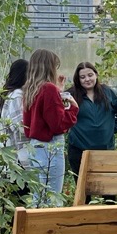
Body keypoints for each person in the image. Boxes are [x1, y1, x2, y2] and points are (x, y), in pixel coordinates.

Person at [21, 49, 78, 205]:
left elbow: (39, 117)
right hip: (50, 147)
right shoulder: (48, 89)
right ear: (50, 67)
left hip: (34, 147)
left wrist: (58, 91)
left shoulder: (30, 89)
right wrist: (73, 109)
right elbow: (57, 124)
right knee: (52, 198)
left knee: (38, 196)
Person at [66, 62, 117, 178]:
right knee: (83, 190)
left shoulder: (107, 92)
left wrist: (113, 128)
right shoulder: (72, 95)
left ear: (96, 75)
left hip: (105, 151)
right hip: (79, 150)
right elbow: (61, 114)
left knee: (109, 189)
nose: (87, 79)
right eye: (83, 77)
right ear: (78, 79)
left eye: (90, 75)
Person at [0, 58, 29, 170]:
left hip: (12, 157)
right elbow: (20, 127)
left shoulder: (11, 94)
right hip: (17, 159)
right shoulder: (17, 95)